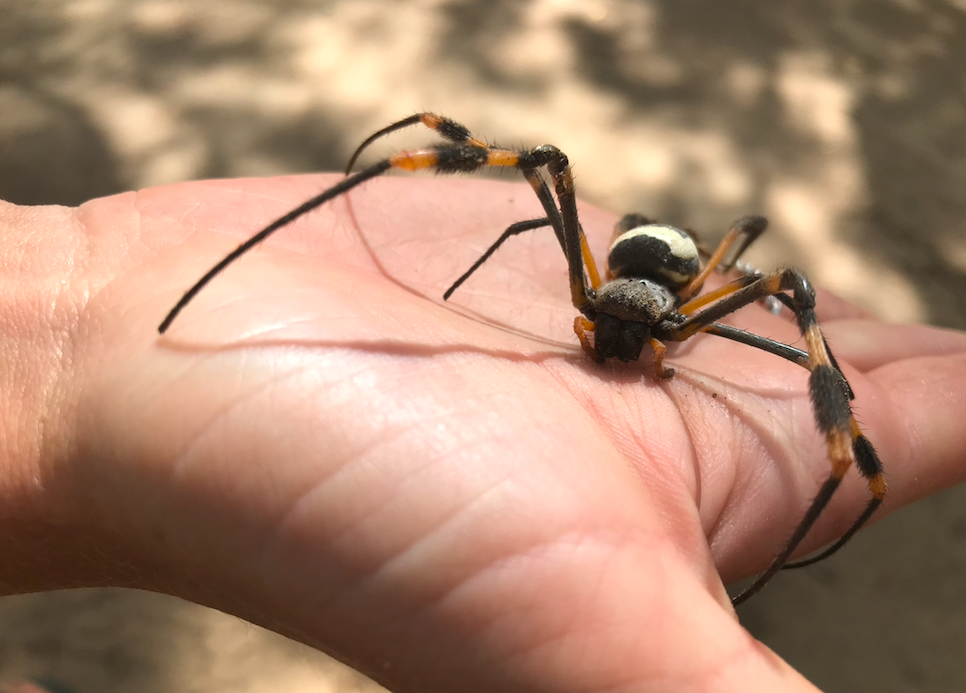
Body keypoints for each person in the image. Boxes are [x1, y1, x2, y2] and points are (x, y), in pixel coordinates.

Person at [1, 174, 964, 693]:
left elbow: (790, 307)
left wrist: (843, 436)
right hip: (643, 260)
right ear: (594, 305)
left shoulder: (683, 309)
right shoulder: (600, 290)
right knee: (546, 163)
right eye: (605, 327)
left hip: (672, 268)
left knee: (788, 297)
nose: (612, 344)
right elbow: (533, 168)